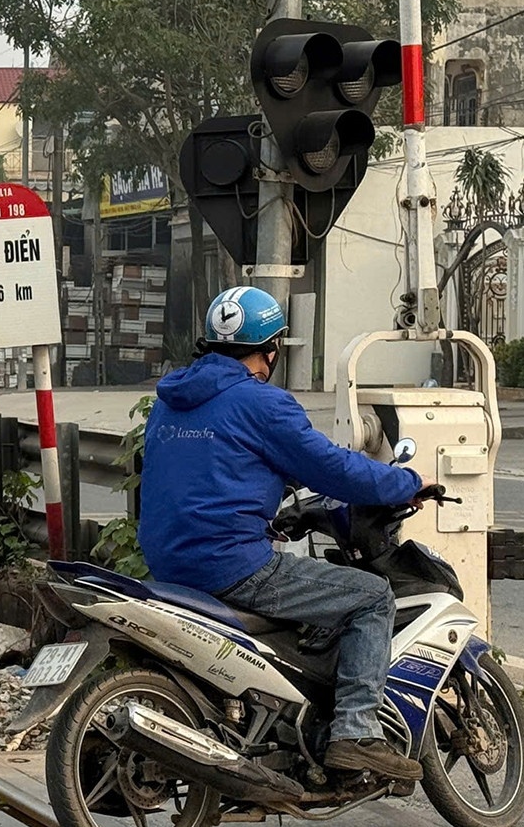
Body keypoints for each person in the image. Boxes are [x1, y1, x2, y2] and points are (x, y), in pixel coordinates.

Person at [137, 286, 426, 783]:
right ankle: (355, 734)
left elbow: (207, 467)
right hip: (230, 564)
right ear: (270, 349)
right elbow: (333, 468)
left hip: (167, 562)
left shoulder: (171, 400)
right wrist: (408, 482)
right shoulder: (263, 404)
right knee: (372, 597)